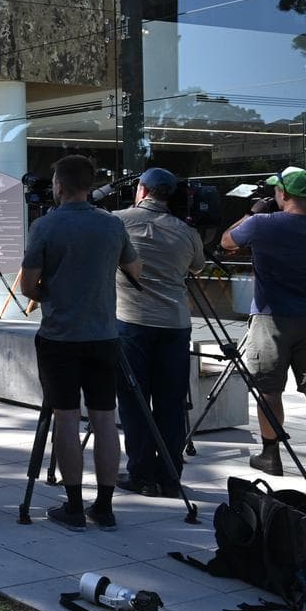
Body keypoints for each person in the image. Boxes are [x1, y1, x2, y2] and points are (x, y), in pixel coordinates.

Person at [20, 154, 142, 532]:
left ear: (58, 185)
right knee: (105, 420)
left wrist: (53, 292)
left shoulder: (45, 225)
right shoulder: (112, 224)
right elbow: (135, 270)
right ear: (90, 186)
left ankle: (73, 506)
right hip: (104, 335)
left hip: (60, 337)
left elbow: (27, 286)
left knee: (67, 418)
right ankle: (104, 506)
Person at [220, 166, 306, 484]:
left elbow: (226, 241)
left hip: (270, 319)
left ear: (283, 193)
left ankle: (270, 455)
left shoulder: (261, 223)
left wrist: (252, 212)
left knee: (269, 389)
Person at [113, 168, 205, 499]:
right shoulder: (186, 230)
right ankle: (169, 474)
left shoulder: (118, 221)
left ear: (141, 190)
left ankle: (140, 473)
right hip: (175, 324)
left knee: (134, 399)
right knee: (171, 402)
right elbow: (198, 266)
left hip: (132, 321)